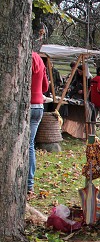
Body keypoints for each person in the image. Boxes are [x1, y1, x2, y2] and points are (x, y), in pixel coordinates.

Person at [28, 51, 49, 199]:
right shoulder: (40, 60)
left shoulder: (21, 55)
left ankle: (27, 183)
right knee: (30, 145)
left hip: (27, 104)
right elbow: (45, 87)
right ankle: (29, 183)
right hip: (38, 106)